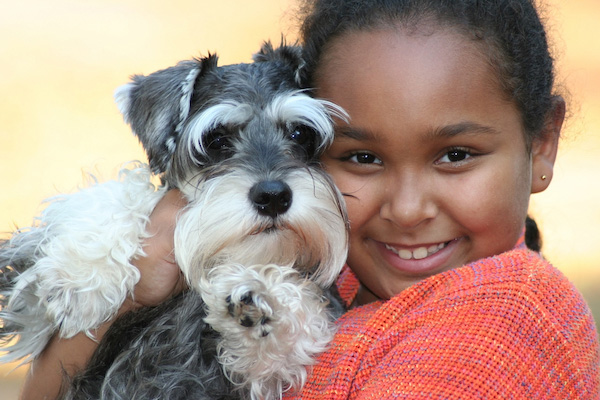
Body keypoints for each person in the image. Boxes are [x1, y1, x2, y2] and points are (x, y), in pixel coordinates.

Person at [20, 0, 600, 398]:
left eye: (456, 155)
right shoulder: (331, 276)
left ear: (543, 143)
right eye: (362, 157)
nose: (407, 208)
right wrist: (131, 292)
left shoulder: (499, 325)